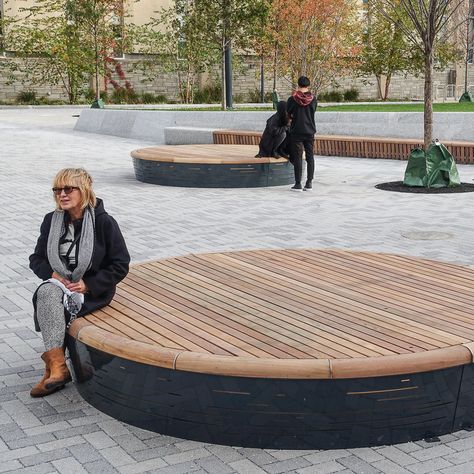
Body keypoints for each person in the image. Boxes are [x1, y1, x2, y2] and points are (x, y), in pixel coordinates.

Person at [29, 168, 130, 397]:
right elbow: (36, 259)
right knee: (48, 292)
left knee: (51, 302)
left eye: (68, 189)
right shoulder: (51, 221)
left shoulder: (104, 222)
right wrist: (52, 274)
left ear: (83, 191)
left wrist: (89, 284)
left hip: (92, 292)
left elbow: (120, 264)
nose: (61, 194)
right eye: (57, 190)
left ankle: (53, 369)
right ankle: (58, 367)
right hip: (60, 286)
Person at [287, 76, 317, 191]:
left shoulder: (292, 99)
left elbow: (289, 114)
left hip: (297, 131)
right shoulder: (313, 99)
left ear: (298, 85)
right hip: (310, 131)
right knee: (310, 157)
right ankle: (309, 183)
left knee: (298, 157)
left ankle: (298, 184)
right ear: (308, 85)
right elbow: (313, 111)